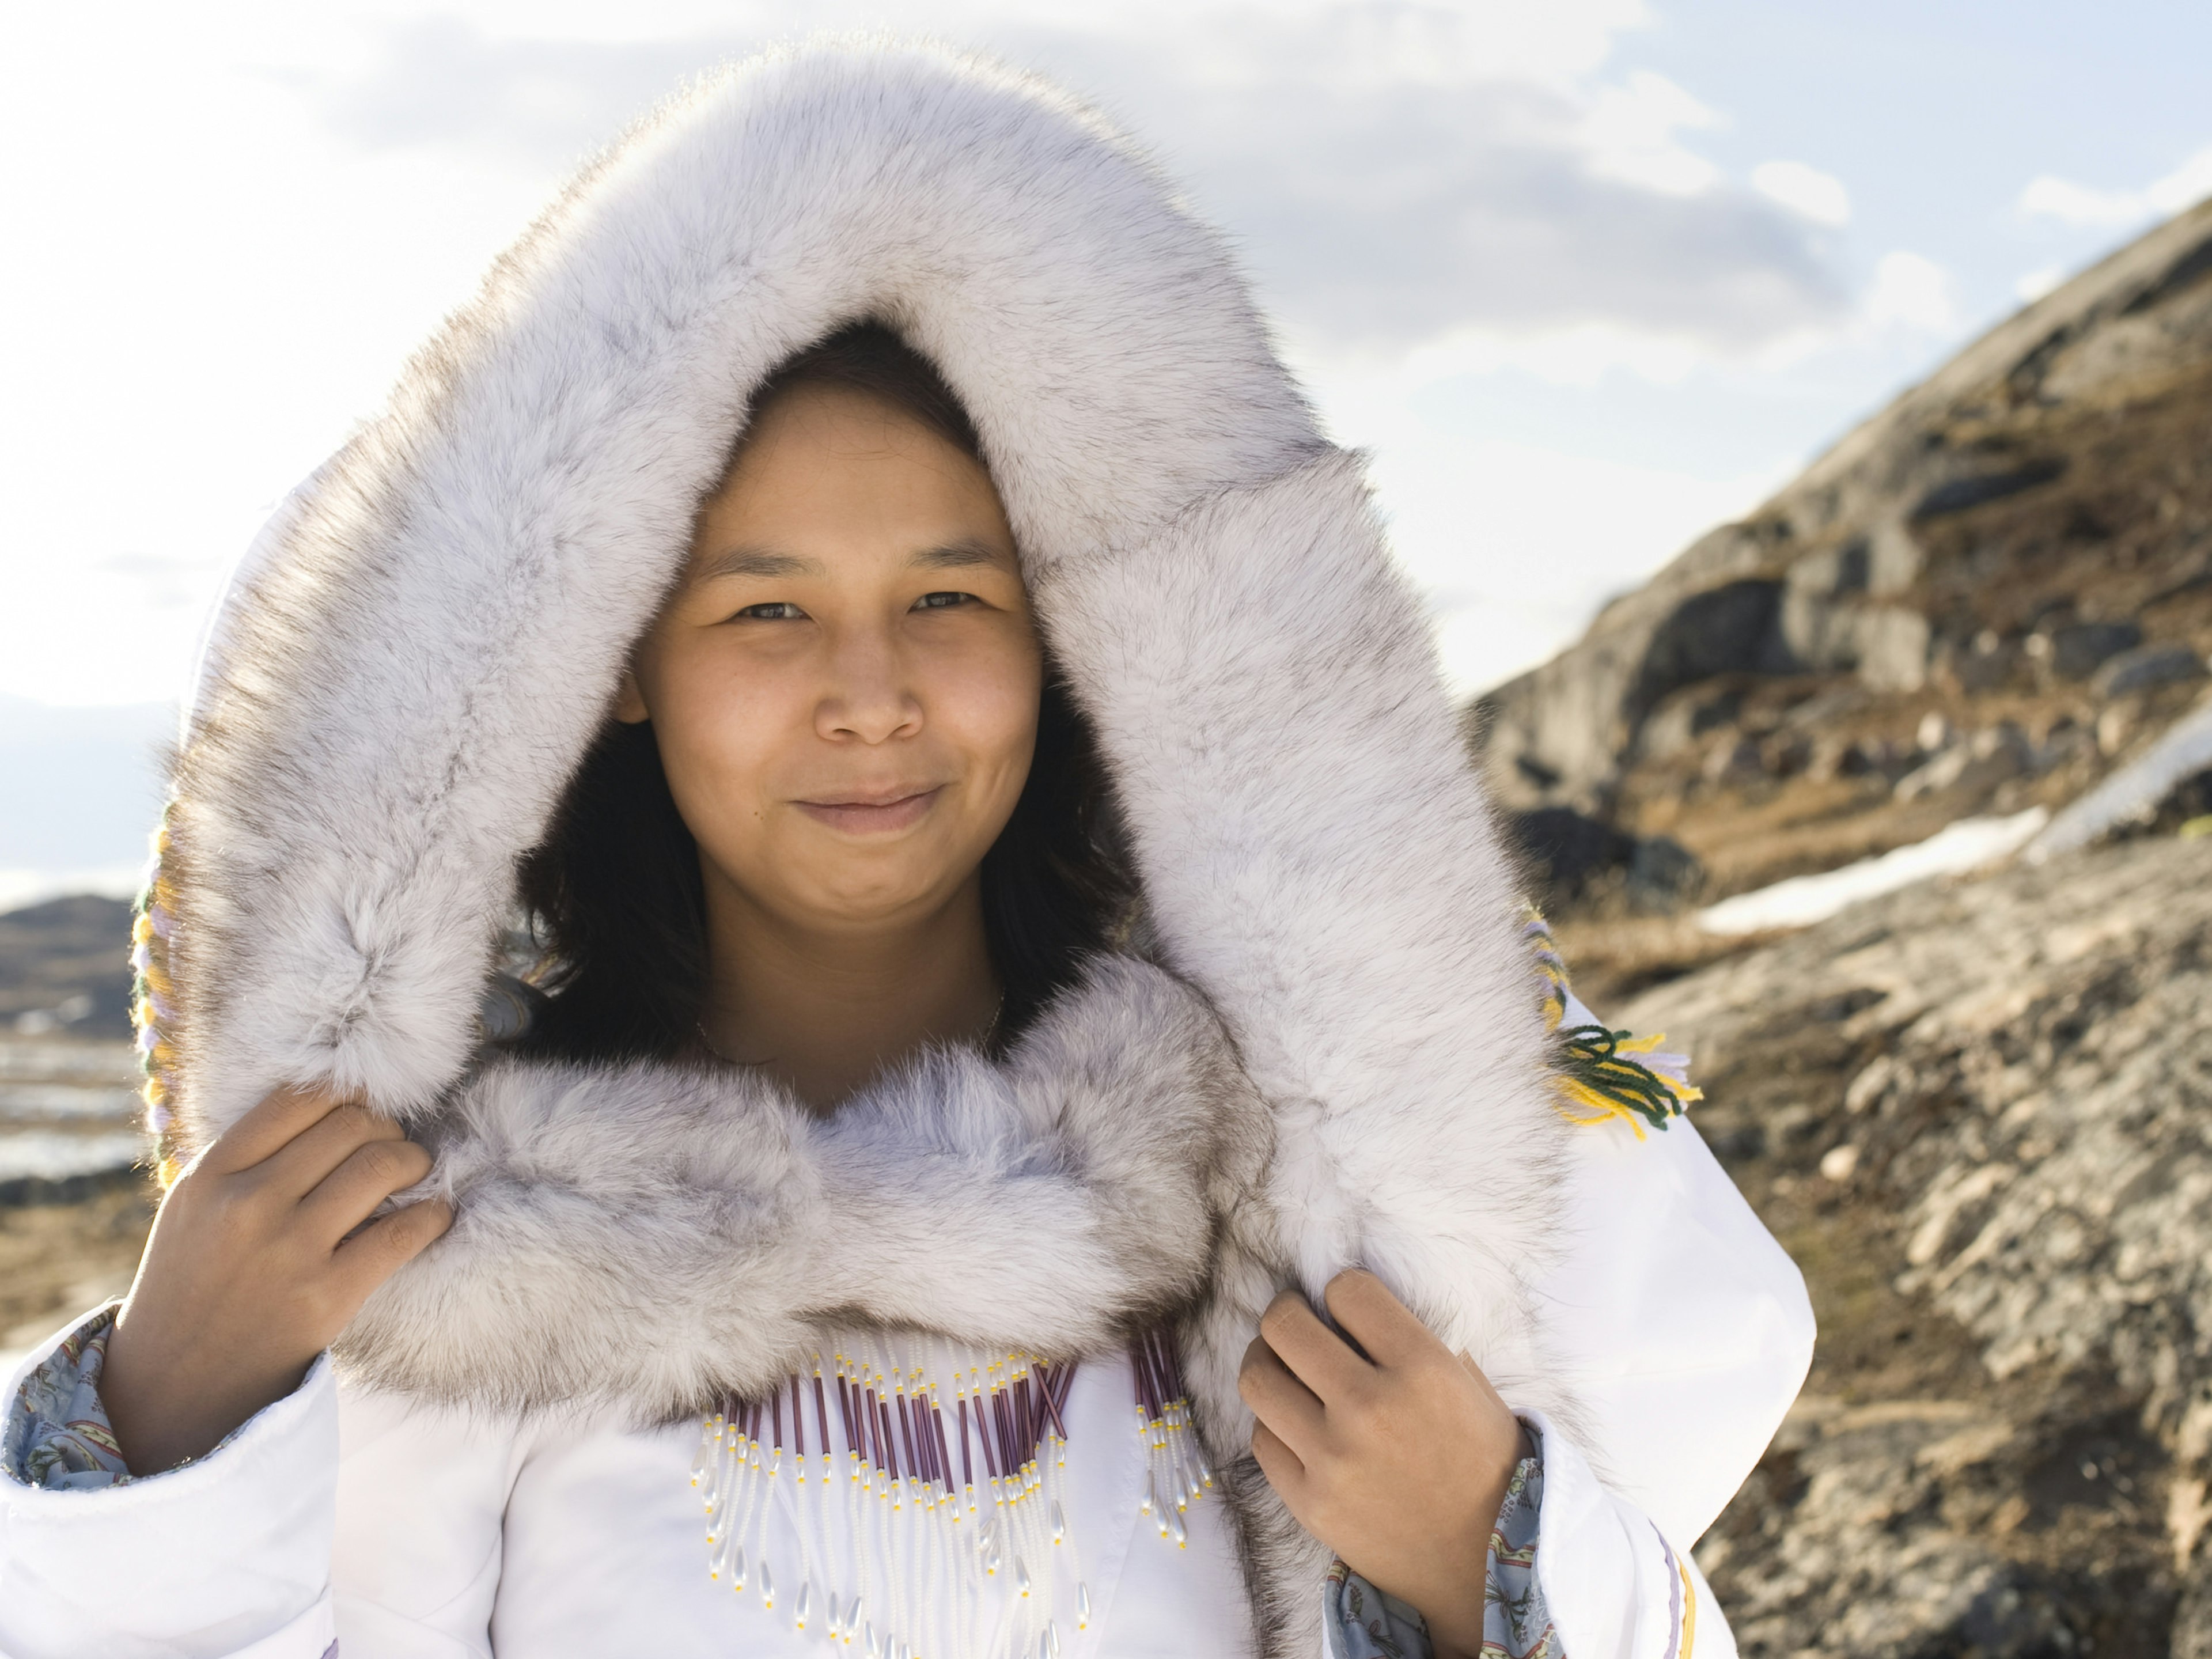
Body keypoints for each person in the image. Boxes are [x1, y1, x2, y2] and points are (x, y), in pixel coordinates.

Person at [0, 43, 1811, 1659]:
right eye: (768, 610)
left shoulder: (1292, 1244)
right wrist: (167, 1423)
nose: (870, 697)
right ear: (616, 660)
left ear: (1073, 641)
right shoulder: (452, 1273)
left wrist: (1481, 1559)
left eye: (949, 595)